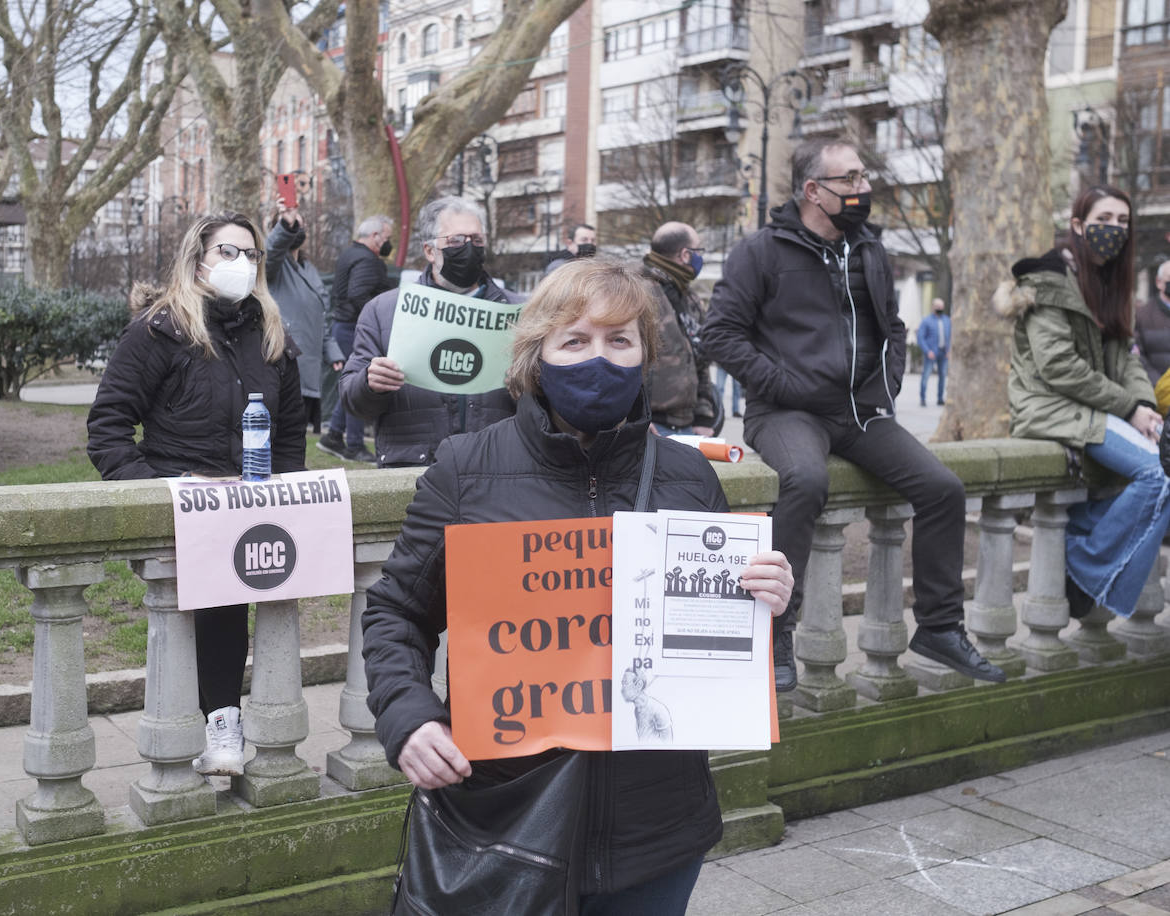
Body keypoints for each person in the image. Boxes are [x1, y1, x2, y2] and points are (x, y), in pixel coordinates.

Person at [362, 258, 794, 913]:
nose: (599, 358)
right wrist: (408, 718)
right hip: (507, 821)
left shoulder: (689, 478)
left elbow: (722, 642)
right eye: (576, 340)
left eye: (619, 340)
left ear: (645, 354)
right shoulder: (467, 469)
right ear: (538, 356)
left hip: (656, 832)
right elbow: (396, 612)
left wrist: (766, 601)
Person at [702, 136, 1004, 692]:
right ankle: (775, 632)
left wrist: (885, 386)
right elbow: (719, 333)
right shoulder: (760, 252)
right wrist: (782, 384)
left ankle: (940, 627)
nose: (864, 189)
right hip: (786, 413)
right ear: (814, 191)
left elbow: (892, 326)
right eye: (852, 179)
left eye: (864, 178)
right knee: (805, 480)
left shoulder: (868, 250)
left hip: (860, 415)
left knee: (942, 488)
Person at [86, 212, 306, 775]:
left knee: (239, 613)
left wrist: (286, 501)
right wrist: (161, 493)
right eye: (228, 252)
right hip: (183, 507)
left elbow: (289, 437)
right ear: (197, 259)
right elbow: (109, 428)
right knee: (199, 618)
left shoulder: (272, 333)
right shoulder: (160, 330)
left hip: (252, 508)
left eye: (252, 255)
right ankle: (207, 726)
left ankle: (224, 725)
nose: (242, 265)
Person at [995, 184, 1170, 619]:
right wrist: (1127, 408)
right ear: (1077, 225)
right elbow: (1058, 367)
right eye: (1104, 220)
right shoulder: (1048, 281)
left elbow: (1128, 358)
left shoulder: (1113, 284)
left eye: (1123, 222)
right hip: (1050, 407)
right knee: (1158, 475)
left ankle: (1083, 530)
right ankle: (1085, 569)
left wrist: (1145, 405)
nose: (1115, 229)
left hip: (1094, 408)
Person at [338, 196, 519, 468]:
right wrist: (370, 383)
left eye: (477, 240)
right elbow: (354, 402)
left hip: (497, 469)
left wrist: (531, 387)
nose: (469, 248)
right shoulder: (383, 311)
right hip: (414, 471)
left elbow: (550, 409)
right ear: (430, 250)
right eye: (457, 240)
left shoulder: (520, 312)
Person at [321, 215, 395, 462]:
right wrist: (376, 321)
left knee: (348, 383)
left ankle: (332, 435)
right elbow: (358, 294)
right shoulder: (367, 260)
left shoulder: (349, 254)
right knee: (359, 382)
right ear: (375, 237)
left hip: (344, 325)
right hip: (355, 328)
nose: (388, 243)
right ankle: (354, 444)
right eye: (387, 238)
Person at [265, 204, 343, 431]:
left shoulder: (309, 269)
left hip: (309, 369)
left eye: (301, 222)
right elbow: (270, 255)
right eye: (292, 222)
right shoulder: (273, 268)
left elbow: (321, 316)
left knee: (296, 440)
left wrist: (332, 350)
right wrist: (285, 226)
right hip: (283, 367)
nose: (298, 225)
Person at [642, 222, 723, 437]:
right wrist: (632, 419)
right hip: (650, 426)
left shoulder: (690, 298)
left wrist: (703, 417)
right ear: (685, 255)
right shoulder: (638, 294)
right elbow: (620, 361)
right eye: (699, 250)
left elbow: (701, 361)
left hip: (689, 427)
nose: (700, 257)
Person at [1134, 260, 1170, 382]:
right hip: (1156, 390)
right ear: (1158, 282)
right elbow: (1138, 356)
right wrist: (1160, 385)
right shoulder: (1142, 315)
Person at [916, 298, 951, 407]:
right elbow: (920, 338)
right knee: (926, 376)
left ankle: (940, 398)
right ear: (933, 307)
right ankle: (923, 398)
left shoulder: (947, 320)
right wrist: (927, 351)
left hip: (944, 353)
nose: (940, 309)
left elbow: (950, 336)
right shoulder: (926, 321)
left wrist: (949, 350)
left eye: (941, 307)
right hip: (931, 353)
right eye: (938, 307)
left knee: (943, 376)